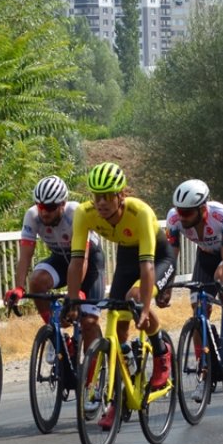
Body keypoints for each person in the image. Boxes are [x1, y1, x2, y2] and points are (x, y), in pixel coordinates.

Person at [67, 162, 176, 427]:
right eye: (96, 196)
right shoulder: (85, 213)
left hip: (158, 257)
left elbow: (148, 265)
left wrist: (146, 305)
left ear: (121, 195)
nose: (101, 203)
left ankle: (162, 354)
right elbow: (77, 259)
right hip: (127, 257)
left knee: (135, 297)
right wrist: (73, 300)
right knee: (116, 325)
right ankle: (119, 398)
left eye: (107, 196)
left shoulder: (140, 212)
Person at [4, 176, 105, 370]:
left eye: (50, 208)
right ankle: (55, 333)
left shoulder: (75, 213)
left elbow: (81, 259)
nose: (44, 212)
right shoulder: (32, 216)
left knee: (88, 322)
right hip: (60, 258)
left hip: (89, 263)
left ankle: (92, 383)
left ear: (62, 204)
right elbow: (25, 256)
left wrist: (75, 293)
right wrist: (18, 287)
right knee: (37, 281)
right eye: (40, 206)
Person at [166, 179, 223, 401]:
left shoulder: (221, 216)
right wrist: (166, 285)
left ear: (203, 209)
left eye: (187, 212)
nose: (182, 217)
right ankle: (204, 371)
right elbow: (171, 257)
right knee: (198, 310)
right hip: (205, 256)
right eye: (179, 211)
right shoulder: (174, 219)